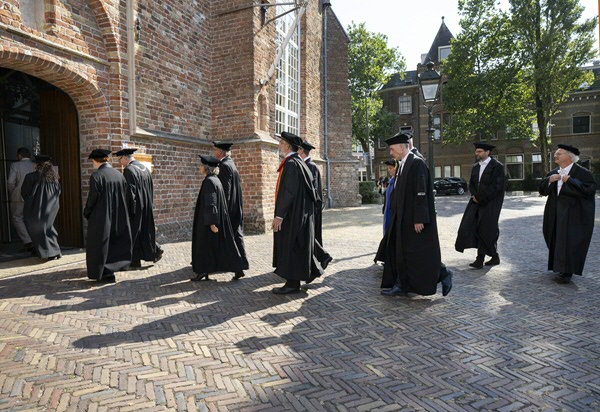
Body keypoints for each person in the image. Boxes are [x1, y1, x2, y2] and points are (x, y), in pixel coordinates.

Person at [375, 133, 450, 296]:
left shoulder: (417, 164)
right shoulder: (402, 164)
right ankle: (402, 284)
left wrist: (419, 218)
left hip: (413, 219)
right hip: (402, 217)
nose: (390, 153)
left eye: (392, 149)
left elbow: (421, 192)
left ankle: (442, 274)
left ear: (402, 147)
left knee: (417, 253)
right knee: (403, 252)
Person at [272, 131, 328, 294]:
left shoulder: (291, 164)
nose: (279, 146)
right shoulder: (299, 162)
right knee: (296, 246)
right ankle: (294, 281)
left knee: (291, 246)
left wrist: (279, 215)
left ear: (286, 145)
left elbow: (288, 192)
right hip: (300, 213)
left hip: (292, 214)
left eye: (281, 143)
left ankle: (292, 284)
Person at [539, 144, 596, 284]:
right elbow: (542, 191)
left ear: (569, 157)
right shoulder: (553, 172)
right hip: (554, 213)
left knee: (570, 241)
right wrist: (549, 180)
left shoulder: (583, 173)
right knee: (555, 238)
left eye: (559, 153)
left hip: (573, 214)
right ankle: (558, 266)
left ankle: (567, 272)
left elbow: (589, 191)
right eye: (556, 153)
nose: (555, 155)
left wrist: (569, 180)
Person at [190, 155, 247, 281]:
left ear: (206, 168)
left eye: (201, 165)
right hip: (215, 219)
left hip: (208, 221)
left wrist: (211, 223)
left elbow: (211, 202)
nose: (199, 167)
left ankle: (203, 271)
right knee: (221, 246)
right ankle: (234, 269)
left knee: (204, 245)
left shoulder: (209, 181)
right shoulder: (215, 180)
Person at [84, 149, 132, 283]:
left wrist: (87, 211)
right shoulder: (119, 174)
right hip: (118, 214)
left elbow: (92, 198)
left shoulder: (97, 176)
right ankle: (111, 269)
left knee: (99, 244)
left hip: (101, 216)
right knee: (113, 243)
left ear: (94, 160)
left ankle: (102, 272)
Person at [455, 142, 505, 268]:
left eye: (479, 151)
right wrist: (475, 196)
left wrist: (480, 197)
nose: (476, 153)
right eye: (476, 151)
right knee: (472, 226)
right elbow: (472, 184)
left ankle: (480, 258)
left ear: (487, 152)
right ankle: (494, 256)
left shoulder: (497, 167)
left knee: (487, 229)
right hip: (476, 202)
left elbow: (497, 187)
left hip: (491, 203)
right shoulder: (476, 167)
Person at [114, 148, 163, 268]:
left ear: (125, 157)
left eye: (120, 159)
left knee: (134, 233)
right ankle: (154, 250)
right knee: (144, 230)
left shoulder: (129, 170)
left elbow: (130, 194)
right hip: (146, 204)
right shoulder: (144, 168)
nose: (120, 163)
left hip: (136, 207)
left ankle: (136, 259)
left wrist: (128, 209)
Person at [212, 141, 249, 280]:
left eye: (215, 150)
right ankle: (240, 264)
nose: (213, 152)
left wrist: (221, 210)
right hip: (235, 207)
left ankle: (238, 266)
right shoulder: (231, 163)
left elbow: (225, 191)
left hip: (229, 209)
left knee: (231, 238)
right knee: (236, 236)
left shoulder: (224, 165)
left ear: (220, 152)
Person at [20, 154, 61, 260]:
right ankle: (55, 251)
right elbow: (58, 191)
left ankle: (49, 252)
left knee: (37, 229)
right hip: (52, 206)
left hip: (35, 207)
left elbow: (24, 192)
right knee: (48, 227)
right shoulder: (54, 177)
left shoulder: (30, 177)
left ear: (37, 165)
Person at [7, 147, 35, 250]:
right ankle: (35, 239)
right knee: (32, 218)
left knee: (17, 218)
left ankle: (27, 241)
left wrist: (13, 191)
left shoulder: (15, 165)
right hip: (33, 196)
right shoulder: (34, 165)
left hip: (18, 195)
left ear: (19, 155)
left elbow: (10, 182)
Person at [298, 141, 324, 244]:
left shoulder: (310, 166)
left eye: (298, 150)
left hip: (313, 206)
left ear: (301, 151)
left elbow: (312, 188)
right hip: (311, 206)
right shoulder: (308, 165)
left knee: (313, 232)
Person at [382, 159, 397, 234]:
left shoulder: (397, 182)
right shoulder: (390, 181)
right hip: (387, 212)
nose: (389, 170)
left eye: (390, 168)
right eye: (388, 168)